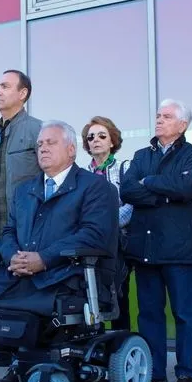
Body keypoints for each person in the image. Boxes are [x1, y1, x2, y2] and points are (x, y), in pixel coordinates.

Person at [0, 120, 119, 360]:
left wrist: (44, 259)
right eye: (40, 144)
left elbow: (93, 235)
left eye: (51, 143)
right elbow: (9, 231)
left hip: (67, 277)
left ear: (71, 149)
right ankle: (20, 362)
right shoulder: (24, 190)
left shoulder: (96, 187)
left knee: (39, 308)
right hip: (20, 276)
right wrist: (13, 258)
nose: (43, 148)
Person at [120, 99, 192, 382]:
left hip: (181, 251)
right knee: (149, 315)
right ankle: (155, 371)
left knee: (185, 314)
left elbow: (187, 187)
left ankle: (186, 372)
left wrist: (149, 182)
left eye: (167, 116)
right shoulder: (140, 155)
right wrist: (165, 194)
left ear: (182, 125)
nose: (159, 120)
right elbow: (128, 190)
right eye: (158, 115)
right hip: (146, 249)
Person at [0, 69, 44, 382]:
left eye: (5, 86)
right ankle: (10, 364)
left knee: (26, 304)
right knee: (3, 303)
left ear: (23, 94)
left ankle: (28, 367)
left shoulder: (36, 130)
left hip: (25, 235)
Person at [81, 116, 133, 330]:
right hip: (91, 244)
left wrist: (108, 224)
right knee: (91, 294)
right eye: (91, 137)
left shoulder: (125, 168)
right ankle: (97, 341)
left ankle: (121, 342)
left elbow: (132, 204)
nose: (96, 140)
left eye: (102, 136)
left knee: (119, 295)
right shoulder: (82, 174)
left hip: (118, 244)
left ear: (112, 141)